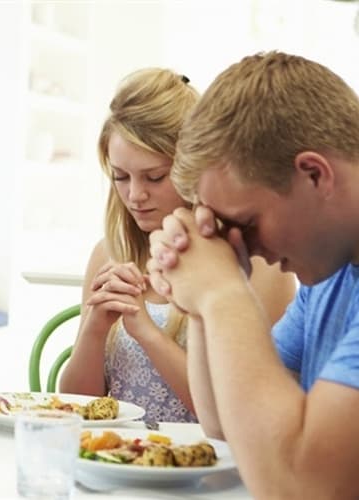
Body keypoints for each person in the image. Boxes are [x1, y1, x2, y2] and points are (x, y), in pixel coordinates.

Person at [147, 51, 359, 499]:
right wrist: (202, 302)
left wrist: (224, 294)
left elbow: (301, 487)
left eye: (244, 223)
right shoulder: (331, 277)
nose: (246, 245)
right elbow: (225, 423)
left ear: (314, 175)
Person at [58, 68, 295, 423]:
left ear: (193, 170)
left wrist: (147, 332)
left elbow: (237, 417)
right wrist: (94, 330)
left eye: (154, 177)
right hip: (119, 460)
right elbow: (77, 406)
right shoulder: (109, 253)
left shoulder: (258, 264)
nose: (135, 196)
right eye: (120, 177)